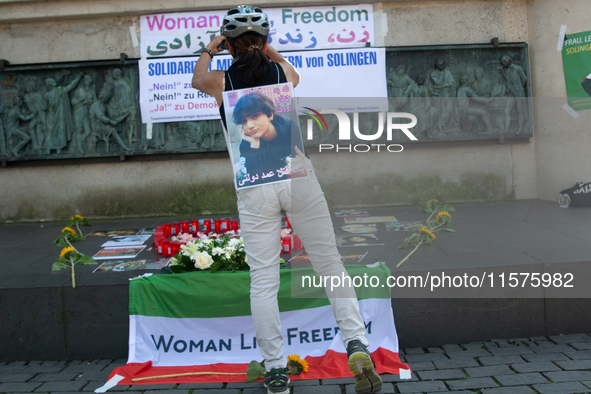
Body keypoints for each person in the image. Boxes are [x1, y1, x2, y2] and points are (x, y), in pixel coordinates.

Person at [192, 6, 382, 394]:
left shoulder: (220, 80)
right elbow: (289, 69)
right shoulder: (283, 74)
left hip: (255, 187)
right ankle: (356, 342)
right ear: (264, 42)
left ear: (228, 44)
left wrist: (212, 48)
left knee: (263, 280)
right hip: (297, 178)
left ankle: (276, 368)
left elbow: (197, 78)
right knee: (329, 263)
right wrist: (269, 50)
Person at [232, 92, 303, 187]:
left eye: (255, 116)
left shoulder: (291, 130)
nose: (250, 126)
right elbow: (253, 181)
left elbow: (305, 167)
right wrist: (254, 147)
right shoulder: (247, 142)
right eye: (244, 121)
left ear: (270, 114)